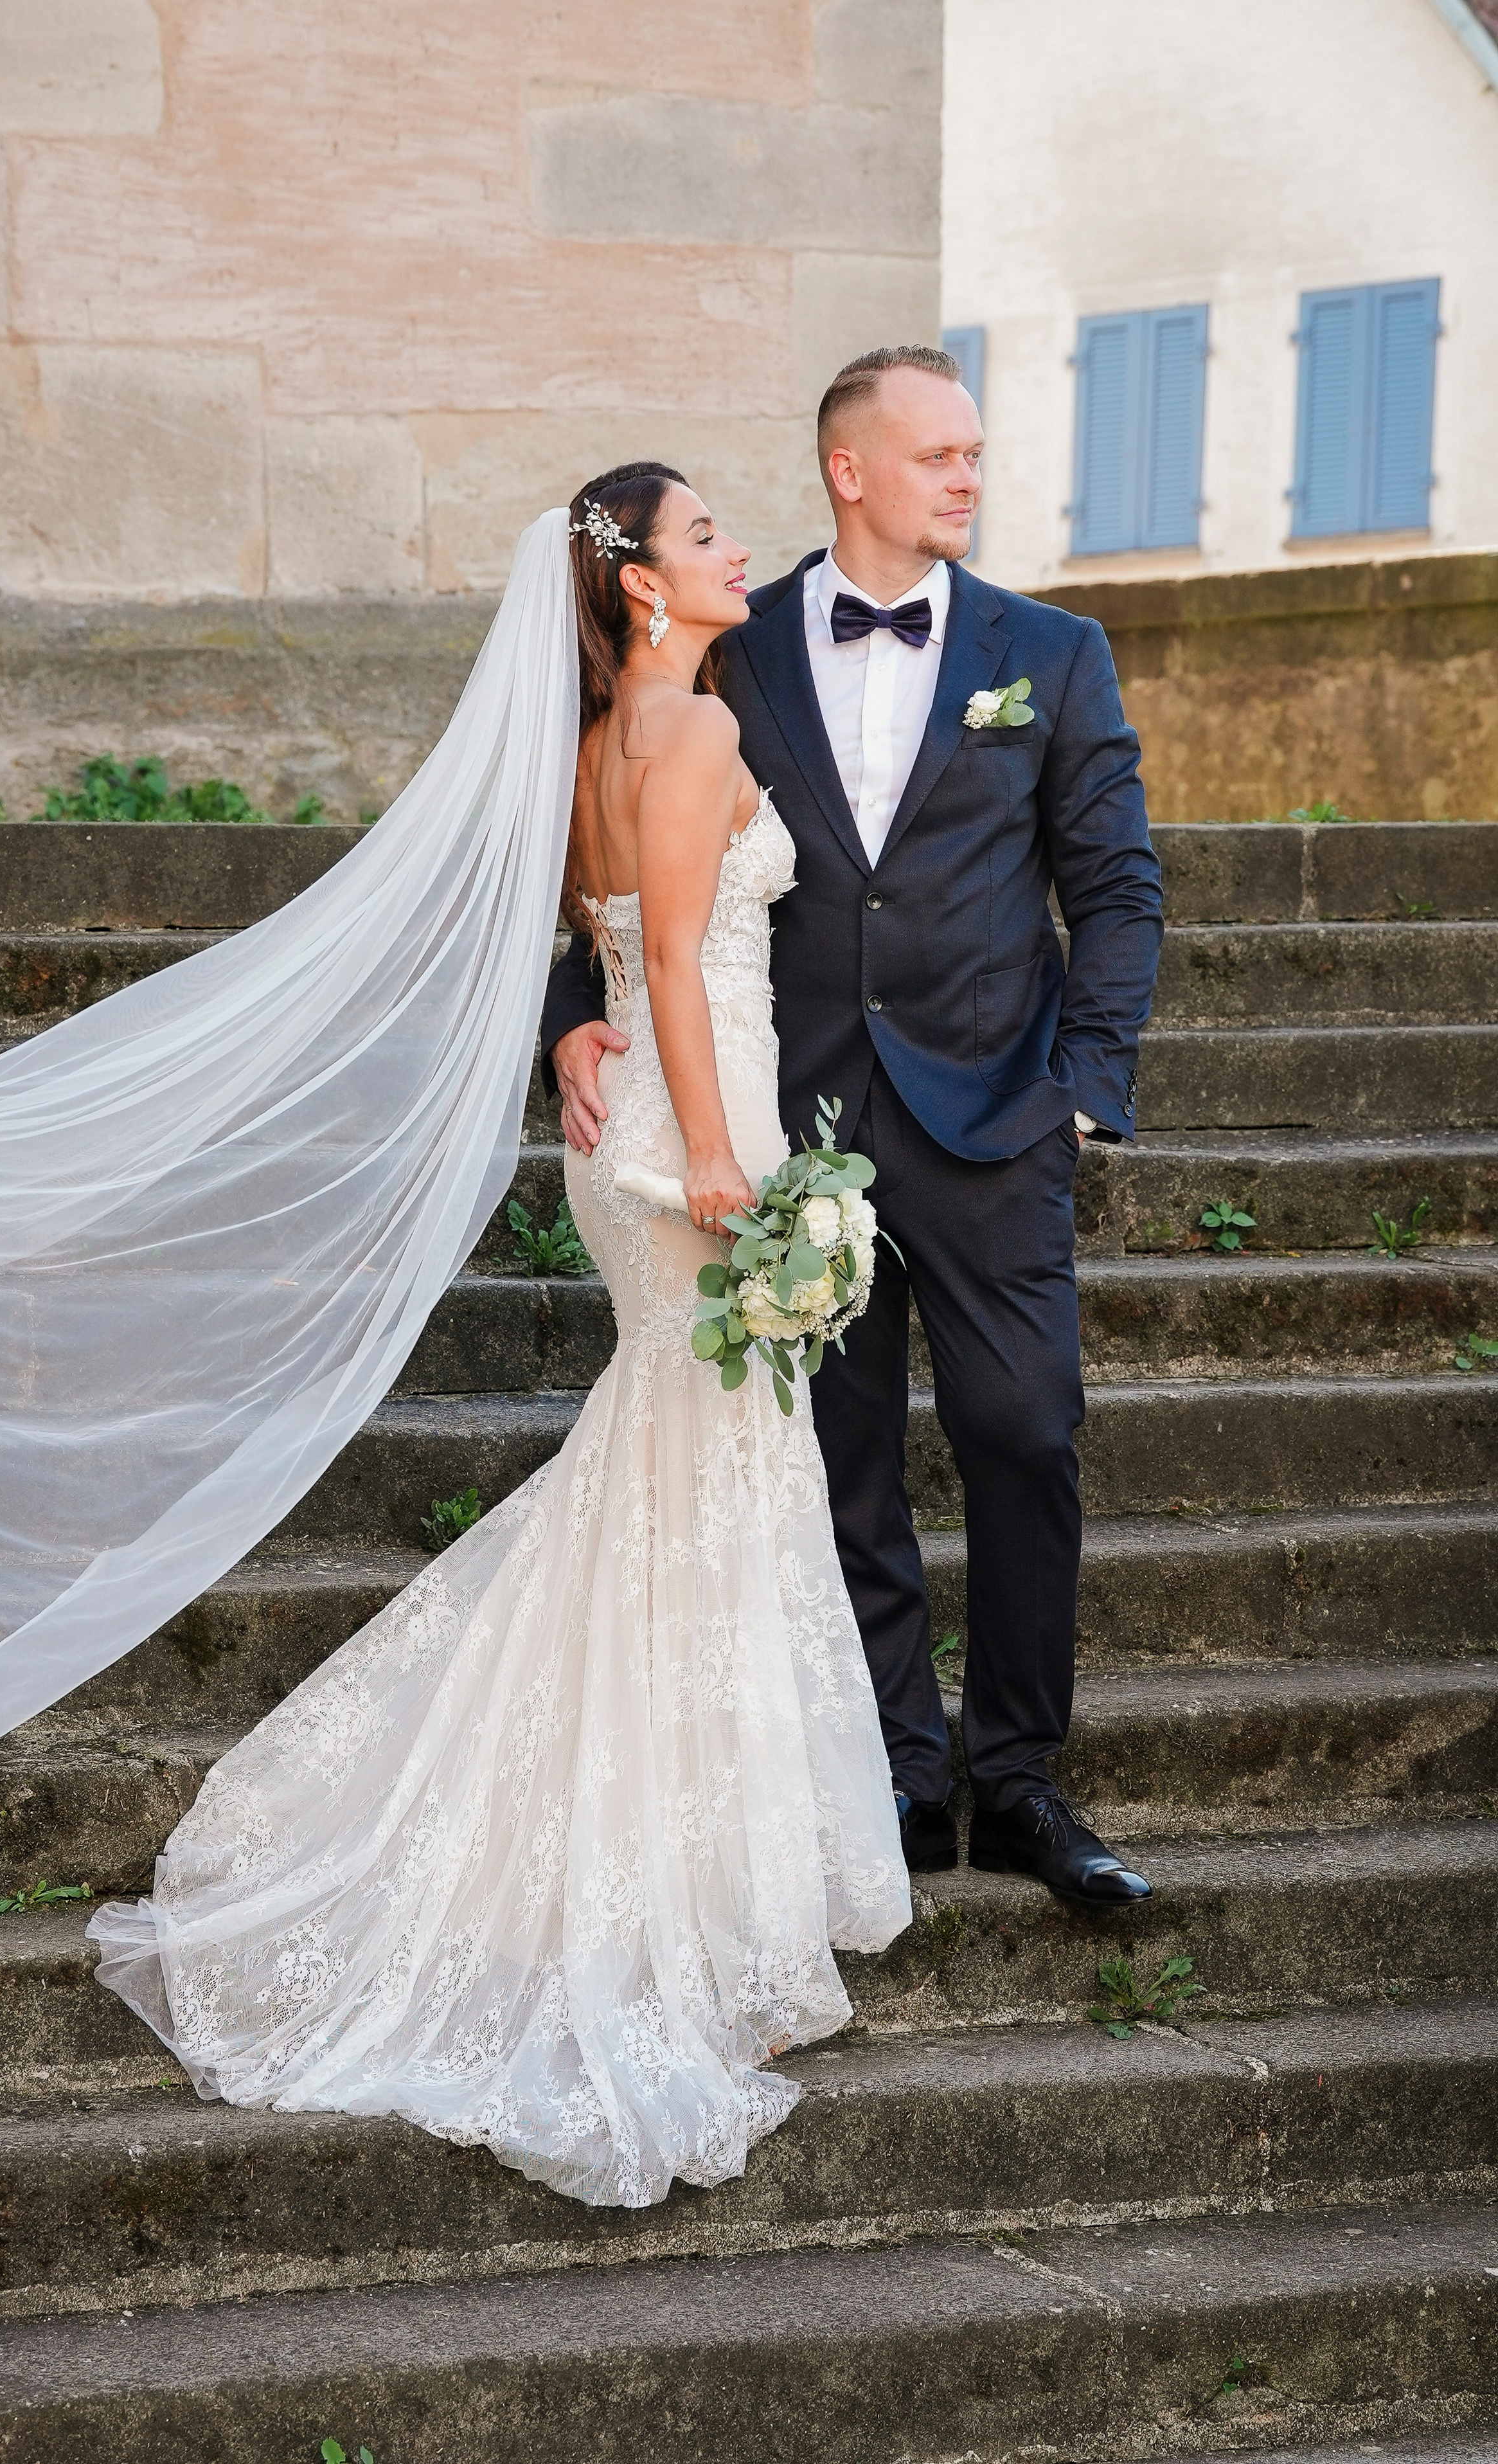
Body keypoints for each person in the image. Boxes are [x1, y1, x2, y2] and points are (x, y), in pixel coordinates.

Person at [88, 465, 912, 2209]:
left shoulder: (603, 741)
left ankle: (669, 1874)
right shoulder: (687, 738)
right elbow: (677, 968)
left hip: (634, 1143)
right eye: (702, 537)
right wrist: (715, 1157)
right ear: (642, 590)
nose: (733, 548)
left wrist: (599, 1069)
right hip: (699, 1144)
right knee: (704, 1497)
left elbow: (604, 950)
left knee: (672, 1488)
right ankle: (674, 1903)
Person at [542, 346, 1165, 1908]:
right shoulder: (729, 649)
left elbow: (1114, 886)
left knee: (1025, 1433)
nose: (967, 476)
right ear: (849, 470)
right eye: (938, 454)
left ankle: (1017, 1774)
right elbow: (617, 844)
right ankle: (894, 1763)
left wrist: (1086, 1081)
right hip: (791, 1122)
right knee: (838, 1454)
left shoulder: (1053, 652)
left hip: (998, 1111)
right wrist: (572, 1003)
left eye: (973, 455)